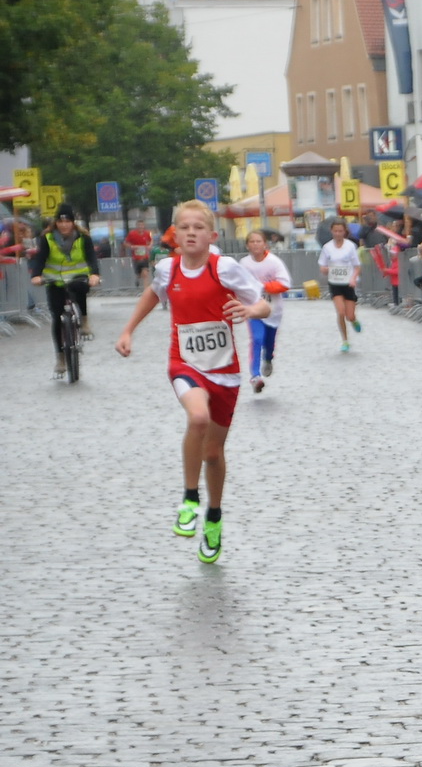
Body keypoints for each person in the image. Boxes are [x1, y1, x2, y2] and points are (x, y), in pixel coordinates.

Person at [113, 199, 269, 564]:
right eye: (184, 228)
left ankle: (213, 517)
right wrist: (128, 330)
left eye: (198, 227)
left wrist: (248, 310)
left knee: (213, 453)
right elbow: (152, 295)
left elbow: (262, 304)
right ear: (174, 235)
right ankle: (189, 498)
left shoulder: (224, 268)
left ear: (212, 235)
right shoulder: (168, 269)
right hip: (184, 362)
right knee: (196, 418)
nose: (191, 233)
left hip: (225, 372)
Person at [29, 204, 101, 377]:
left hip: (77, 277)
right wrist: (37, 275)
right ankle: (60, 357)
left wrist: (94, 275)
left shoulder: (83, 238)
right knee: (56, 316)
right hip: (54, 280)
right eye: (61, 221)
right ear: (56, 223)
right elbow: (40, 258)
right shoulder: (47, 239)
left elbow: (91, 257)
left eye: (67, 221)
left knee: (81, 289)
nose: (64, 225)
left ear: (72, 222)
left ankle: (84, 321)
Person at [239, 229, 293, 394]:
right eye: (252, 241)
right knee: (256, 338)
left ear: (265, 244)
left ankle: (268, 358)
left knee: (268, 342)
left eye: (258, 241)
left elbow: (285, 284)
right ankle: (255, 376)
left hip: (273, 310)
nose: (255, 244)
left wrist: (262, 286)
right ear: (247, 245)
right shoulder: (244, 263)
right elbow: (238, 284)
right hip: (253, 309)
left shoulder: (274, 262)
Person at [318, 218, 363, 352]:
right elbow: (322, 266)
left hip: (348, 283)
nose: (338, 234)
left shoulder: (350, 246)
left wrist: (354, 278)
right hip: (335, 283)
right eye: (335, 231)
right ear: (332, 231)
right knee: (341, 312)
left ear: (344, 232)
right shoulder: (327, 247)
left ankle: (354, 320)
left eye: (340, 231)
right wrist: (325, 270)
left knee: (350, 315)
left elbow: (357, 266)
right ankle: (345, 341)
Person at [125, 223, 153, 288]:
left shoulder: (147, 233)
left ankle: (146, 290)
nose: (141, 227)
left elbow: (151, 241)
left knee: (145, 273)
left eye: (142, 226)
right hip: (136, 258)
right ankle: (137, 278)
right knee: (139, 274)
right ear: (137, 227)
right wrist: (132, 246)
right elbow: (125, 243)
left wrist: (149, 246)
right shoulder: (132, 234)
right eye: (139, 226)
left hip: (145, 257)